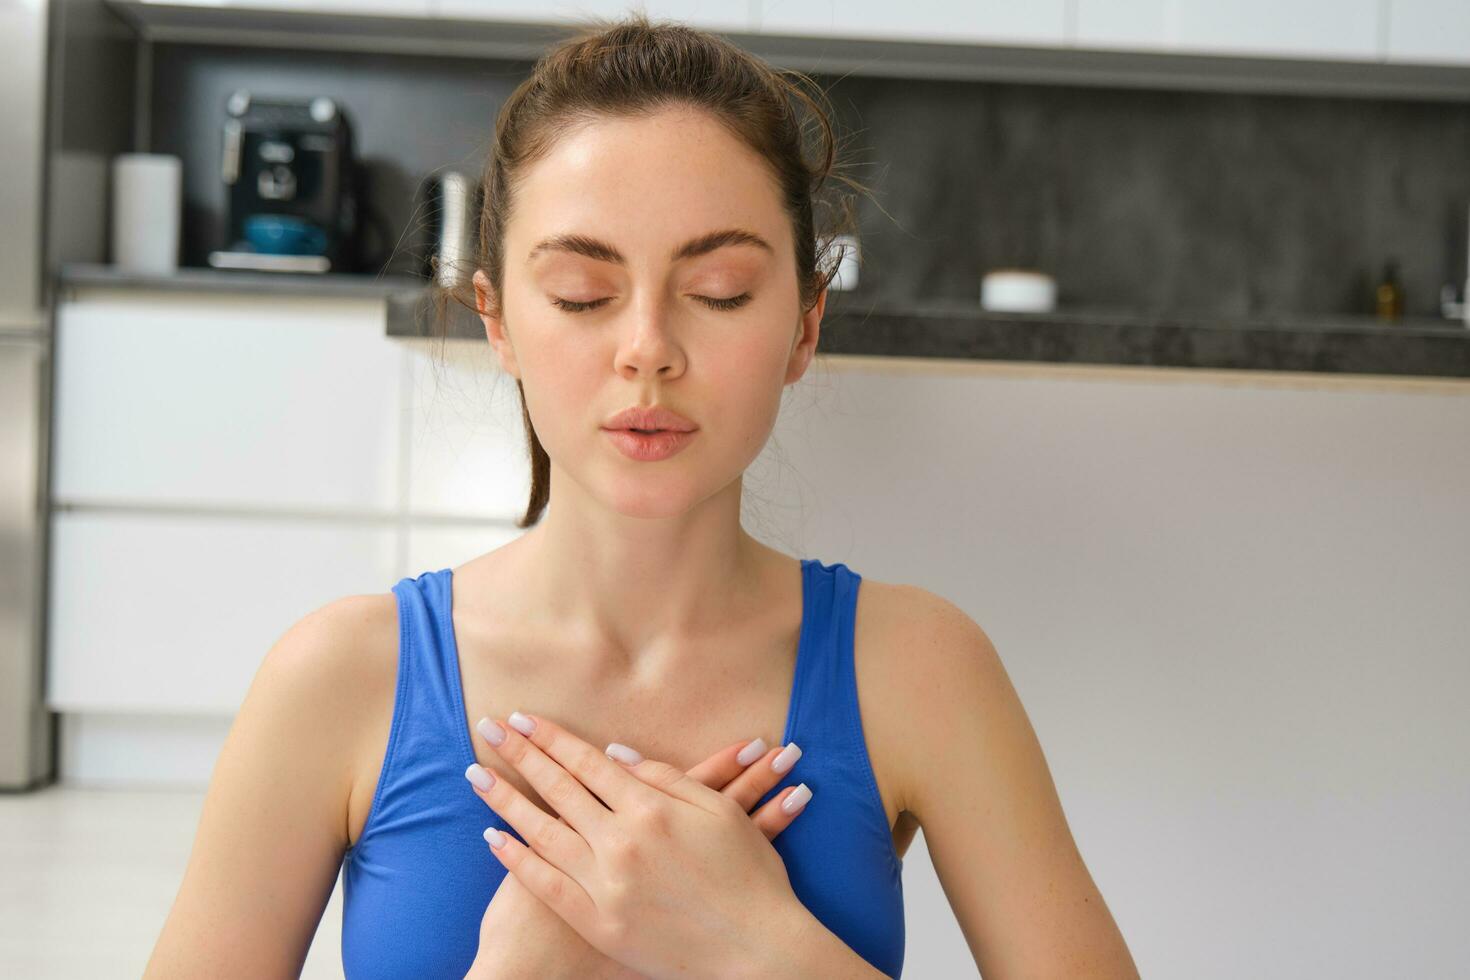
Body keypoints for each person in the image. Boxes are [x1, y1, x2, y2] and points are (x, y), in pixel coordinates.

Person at [144, 14, 1138, 979]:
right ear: (497, 318)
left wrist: (758, 940)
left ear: (804, 324)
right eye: (582, 293)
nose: (648, 348)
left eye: (720, 292)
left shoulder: (921, 668)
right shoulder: (336, 679)